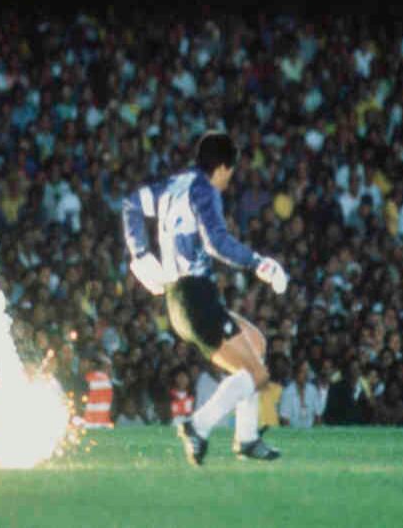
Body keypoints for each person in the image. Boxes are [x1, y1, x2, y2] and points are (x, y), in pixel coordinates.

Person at [122, 132, 288, 464]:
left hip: (181, 298)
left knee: (255, 343)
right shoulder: (205, 190)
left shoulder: (176, 183)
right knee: (257, 375)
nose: (229, 179)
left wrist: (140, 253)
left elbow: (131, 203)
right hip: (194, 297)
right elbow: (216, 243)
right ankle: (198, 427)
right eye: (231, 171)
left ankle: (247, 438)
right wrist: (261, 264)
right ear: (223, 167)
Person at [279, 360, 321, 428]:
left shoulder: (313, 390)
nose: (306, 375)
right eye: (302, 371)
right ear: (295, 373)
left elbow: (318, 416)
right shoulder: (287, 392)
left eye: (307, 371)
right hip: (293, 434)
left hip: (312, 434)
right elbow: (284, 420)